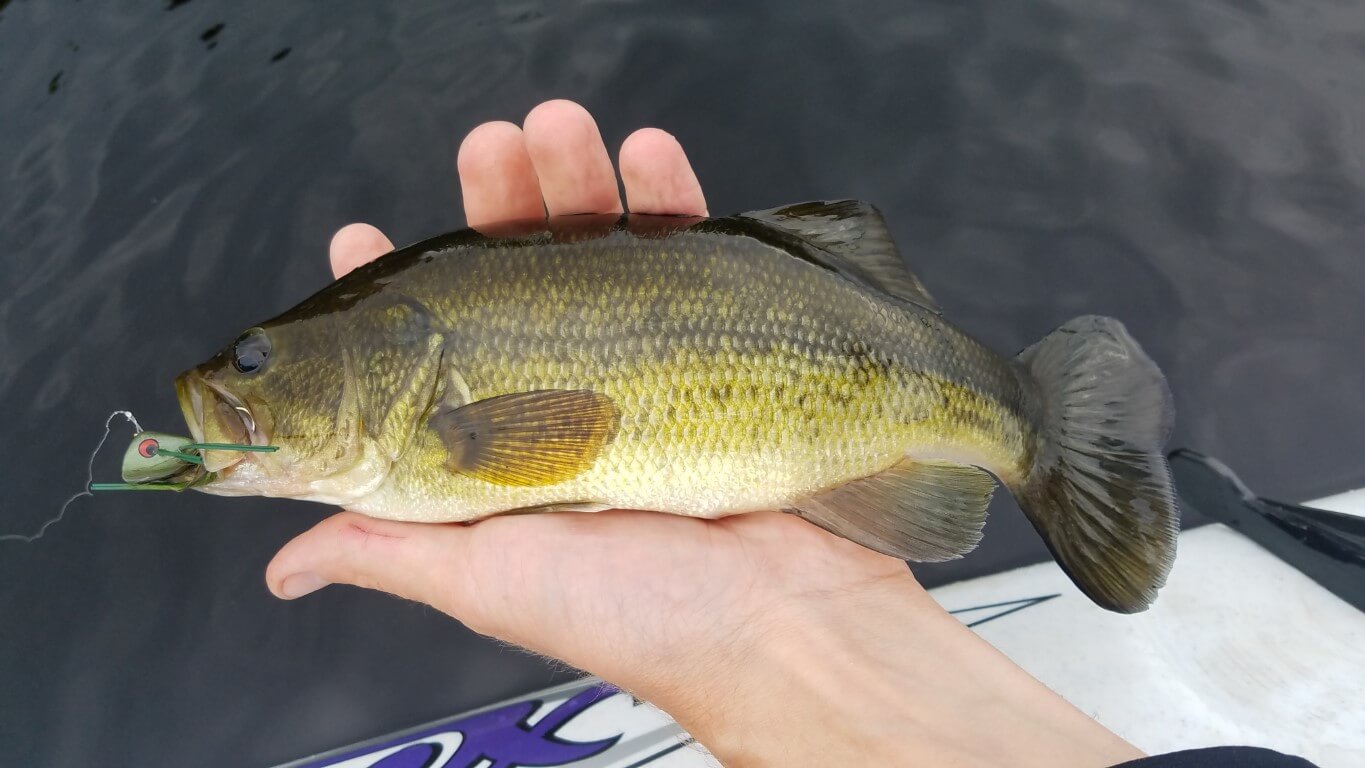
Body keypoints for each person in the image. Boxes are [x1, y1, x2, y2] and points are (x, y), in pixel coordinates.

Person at [263, 100, 1318, 768]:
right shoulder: (416, 403)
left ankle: (1024, 419)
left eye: (257, 365)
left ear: (389, 361)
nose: (236, 392)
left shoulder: (437, 427)